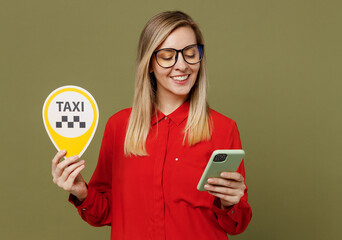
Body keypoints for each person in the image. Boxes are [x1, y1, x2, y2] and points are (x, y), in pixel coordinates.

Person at [51, 10, 252, 240]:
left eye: (190, 53)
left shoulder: (223, 128)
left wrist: (230, 203)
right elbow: (105, 213)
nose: (182, 65)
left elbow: (237, 224)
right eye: (168, 56)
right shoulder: (119, 127)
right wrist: (81, 192)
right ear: (149, 64)